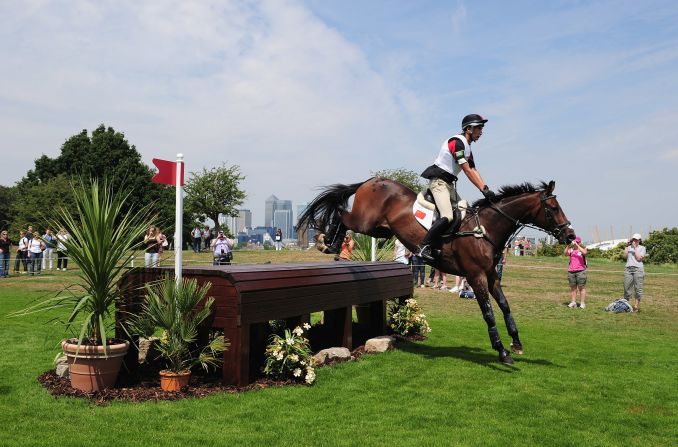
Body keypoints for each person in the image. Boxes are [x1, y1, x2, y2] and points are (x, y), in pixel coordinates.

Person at [417, 114, 496, 262]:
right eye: (479, 128)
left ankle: (447, 246)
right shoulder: (457, 142)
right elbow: (466, 170)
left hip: (448, 184)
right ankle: (424, 246)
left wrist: (486, 188)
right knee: (448, 216)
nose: (481, 132)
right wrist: (483, 190)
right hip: (438, 183)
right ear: (469, 129)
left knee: (465, 213)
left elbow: (473, 170)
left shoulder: (467, 148)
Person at [624, 233, 646, 312]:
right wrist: (626, 246)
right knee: (626, 287)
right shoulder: (628, 247)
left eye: (636, 240)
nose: (634, 241)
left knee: (638, 288)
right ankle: (625, 305)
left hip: (638, 269)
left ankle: (636, 306)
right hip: (628, 269)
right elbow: (625, 256)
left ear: (639, 240)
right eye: (633, 239)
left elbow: (639, 258)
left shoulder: (642, 248)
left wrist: (635, 248)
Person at [565, 236, 588, 309]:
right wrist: (568, 245)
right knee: (573, 288)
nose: (575, 243)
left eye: (577, 242)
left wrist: (578, 246)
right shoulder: (571, 250)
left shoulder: (582, 249)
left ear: (580, 242)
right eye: (575, 242)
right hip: (571, 271)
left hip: (581, 271)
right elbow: (565, 253)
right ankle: (573, 302)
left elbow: (585, 253)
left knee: (581, 288)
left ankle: (582, 303)